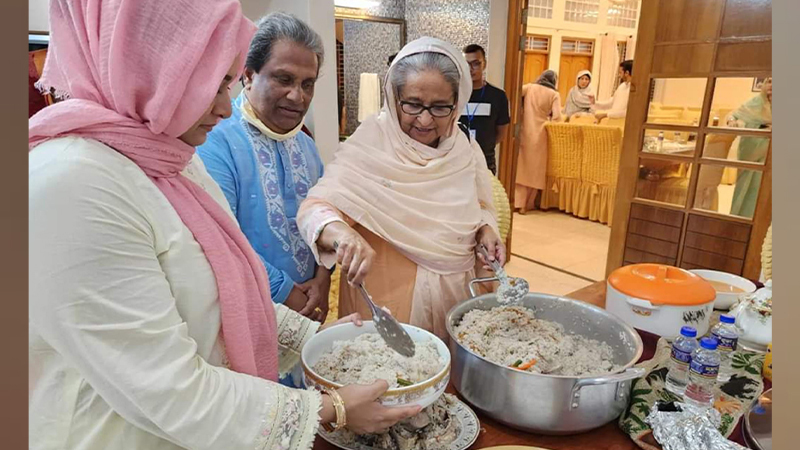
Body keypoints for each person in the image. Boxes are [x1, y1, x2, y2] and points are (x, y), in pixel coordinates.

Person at [28, 2, 419, 449]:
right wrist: (333, 409)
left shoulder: (169, 157)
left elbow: (224, 287)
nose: (223, 109)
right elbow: (169, 389)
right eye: (209, 86)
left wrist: (315, 337)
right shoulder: (72, 185)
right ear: (147, 71)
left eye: (224, 85)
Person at [296, 37, 505, 340]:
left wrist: (486, 230)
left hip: (456, 297)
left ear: (456, 103)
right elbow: (314, 209)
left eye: (439, 107)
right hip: (388, 300)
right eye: (413, 104)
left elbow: (482, 208)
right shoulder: (371, 144)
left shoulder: (465, 150)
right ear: (395, 99)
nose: (424, 119)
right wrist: (343, 235)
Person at [198, 13, 331, 325]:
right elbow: (221, 241)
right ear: (248, 75)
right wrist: (290, 295)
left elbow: (326, 213)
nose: (298, 96)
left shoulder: (305, 145)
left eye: (307, 84)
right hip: (249, 309)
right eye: (284, 79)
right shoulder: (215, 140)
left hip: (310, 304)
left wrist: (323, 280)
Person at [458, 44, 510, 174]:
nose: (470, 69)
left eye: (476, 64)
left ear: (484, 64)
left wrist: (484, 146)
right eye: (466, 64)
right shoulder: (454, 95)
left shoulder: (498, 96)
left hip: (486, 161)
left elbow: (501, 133)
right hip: (457, 160)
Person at [515, 70, 562, 213]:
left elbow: (515, 93)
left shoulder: (530, 88)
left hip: (524, 131)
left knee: (522, 168)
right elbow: (557, 117)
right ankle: (528, 204)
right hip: (540, 135)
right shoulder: (554, 95)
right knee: (535, 170)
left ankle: (517, 203)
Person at [729, 76, 772, 217]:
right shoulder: (754, 103)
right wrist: (731, 122)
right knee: (746, 186)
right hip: (751, 150)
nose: (771, 85)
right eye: (769, 81)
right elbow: (734, 116)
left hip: (771, 154)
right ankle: (740, 218)